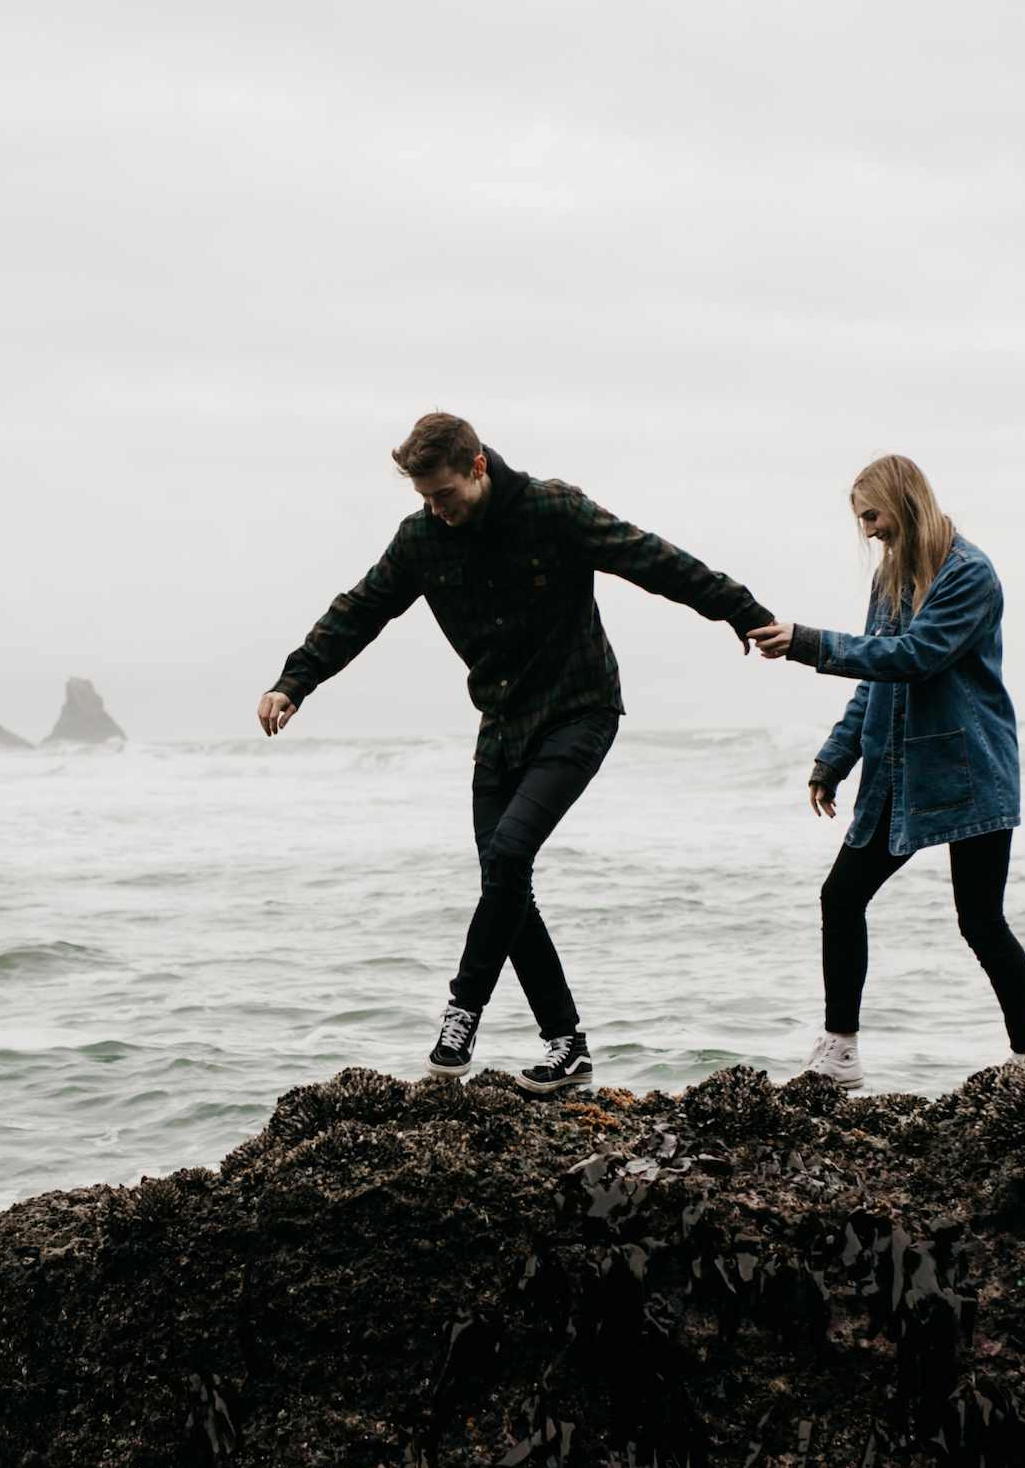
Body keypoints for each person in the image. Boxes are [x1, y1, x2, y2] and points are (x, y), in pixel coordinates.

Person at [260, 412, 774, 1092]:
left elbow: (652, 559)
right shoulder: (420, 538)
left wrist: (738, 608)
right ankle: (567, 1044)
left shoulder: (551, 509)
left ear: (477, 466)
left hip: (579, 710)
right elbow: (362, 609)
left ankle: (461, 1010)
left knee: (506, 857)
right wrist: (296, 680)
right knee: (505, 882)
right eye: (423, 498)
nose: (435, 511)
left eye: (443, 494)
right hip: (501, 728)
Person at [744, 454, 1025, 1087]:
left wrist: (806, 642)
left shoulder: (969, 574)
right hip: (897, 769)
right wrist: (835, 756)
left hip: (969, 768)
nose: (869, 530)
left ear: (903, 501)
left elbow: (914, 656)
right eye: (861, 521)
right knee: (841, 896)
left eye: (872, 515)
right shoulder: (889, 579)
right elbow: (876, 676)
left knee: (982, 922)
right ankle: (841, 1050)